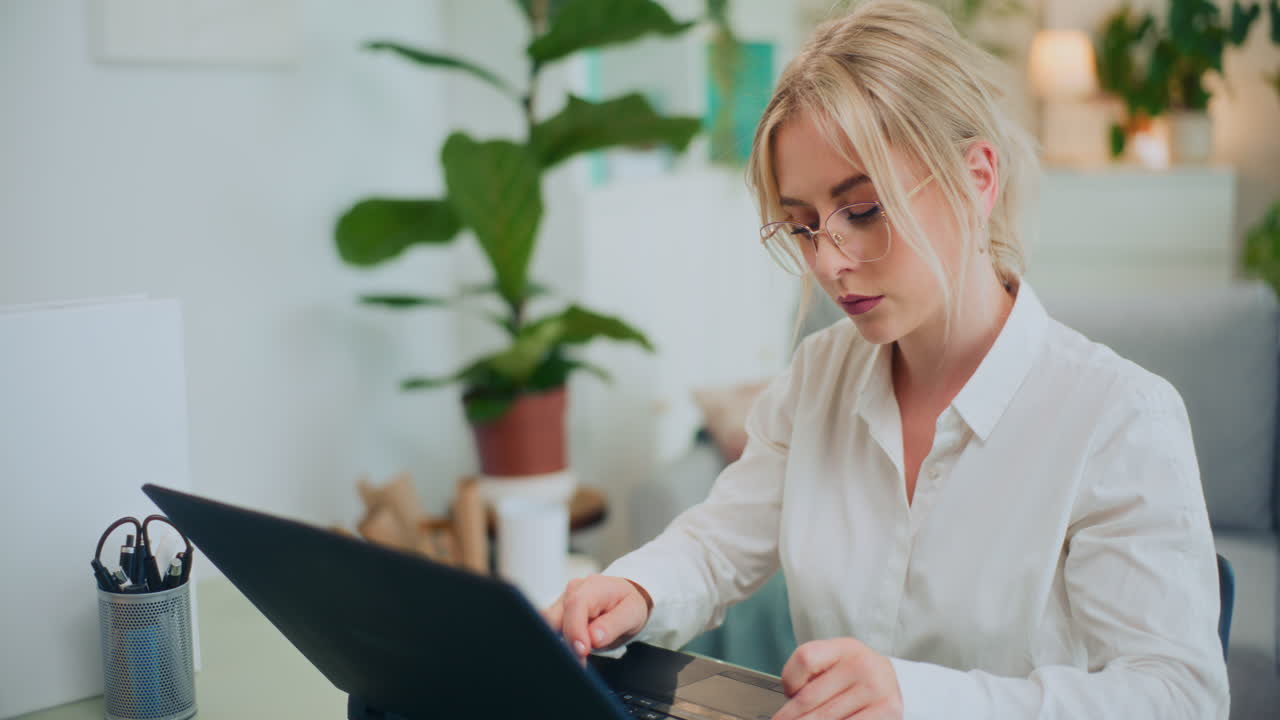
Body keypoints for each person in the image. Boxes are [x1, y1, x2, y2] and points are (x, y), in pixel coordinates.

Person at [542, 1, 1230, 718]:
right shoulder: (817, 378)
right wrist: (636, 588)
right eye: (803, 225)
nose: (829, 262)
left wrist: (918, 698)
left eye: (862, 210)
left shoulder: (1118, 418)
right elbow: (718, 544)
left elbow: (1177, 698)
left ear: (978, 178)